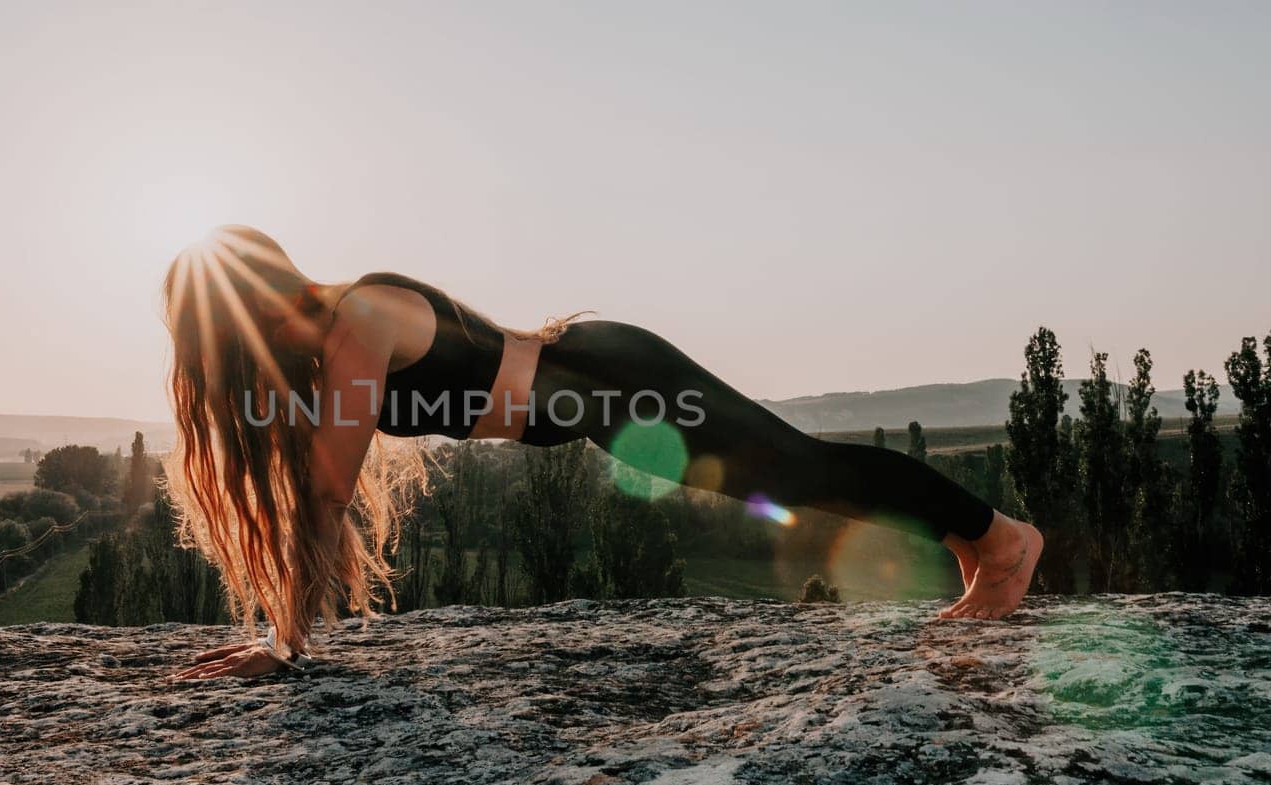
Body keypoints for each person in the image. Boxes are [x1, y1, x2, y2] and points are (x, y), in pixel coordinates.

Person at [164, 226, 1043, 680]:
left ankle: (1002, 539)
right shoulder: (333, 335)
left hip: (615, 380)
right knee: (797, 474)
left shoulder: (355, 318)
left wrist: (285, 644)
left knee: (801, 468)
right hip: (603, 402)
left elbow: (323, 497)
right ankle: (977, 545)